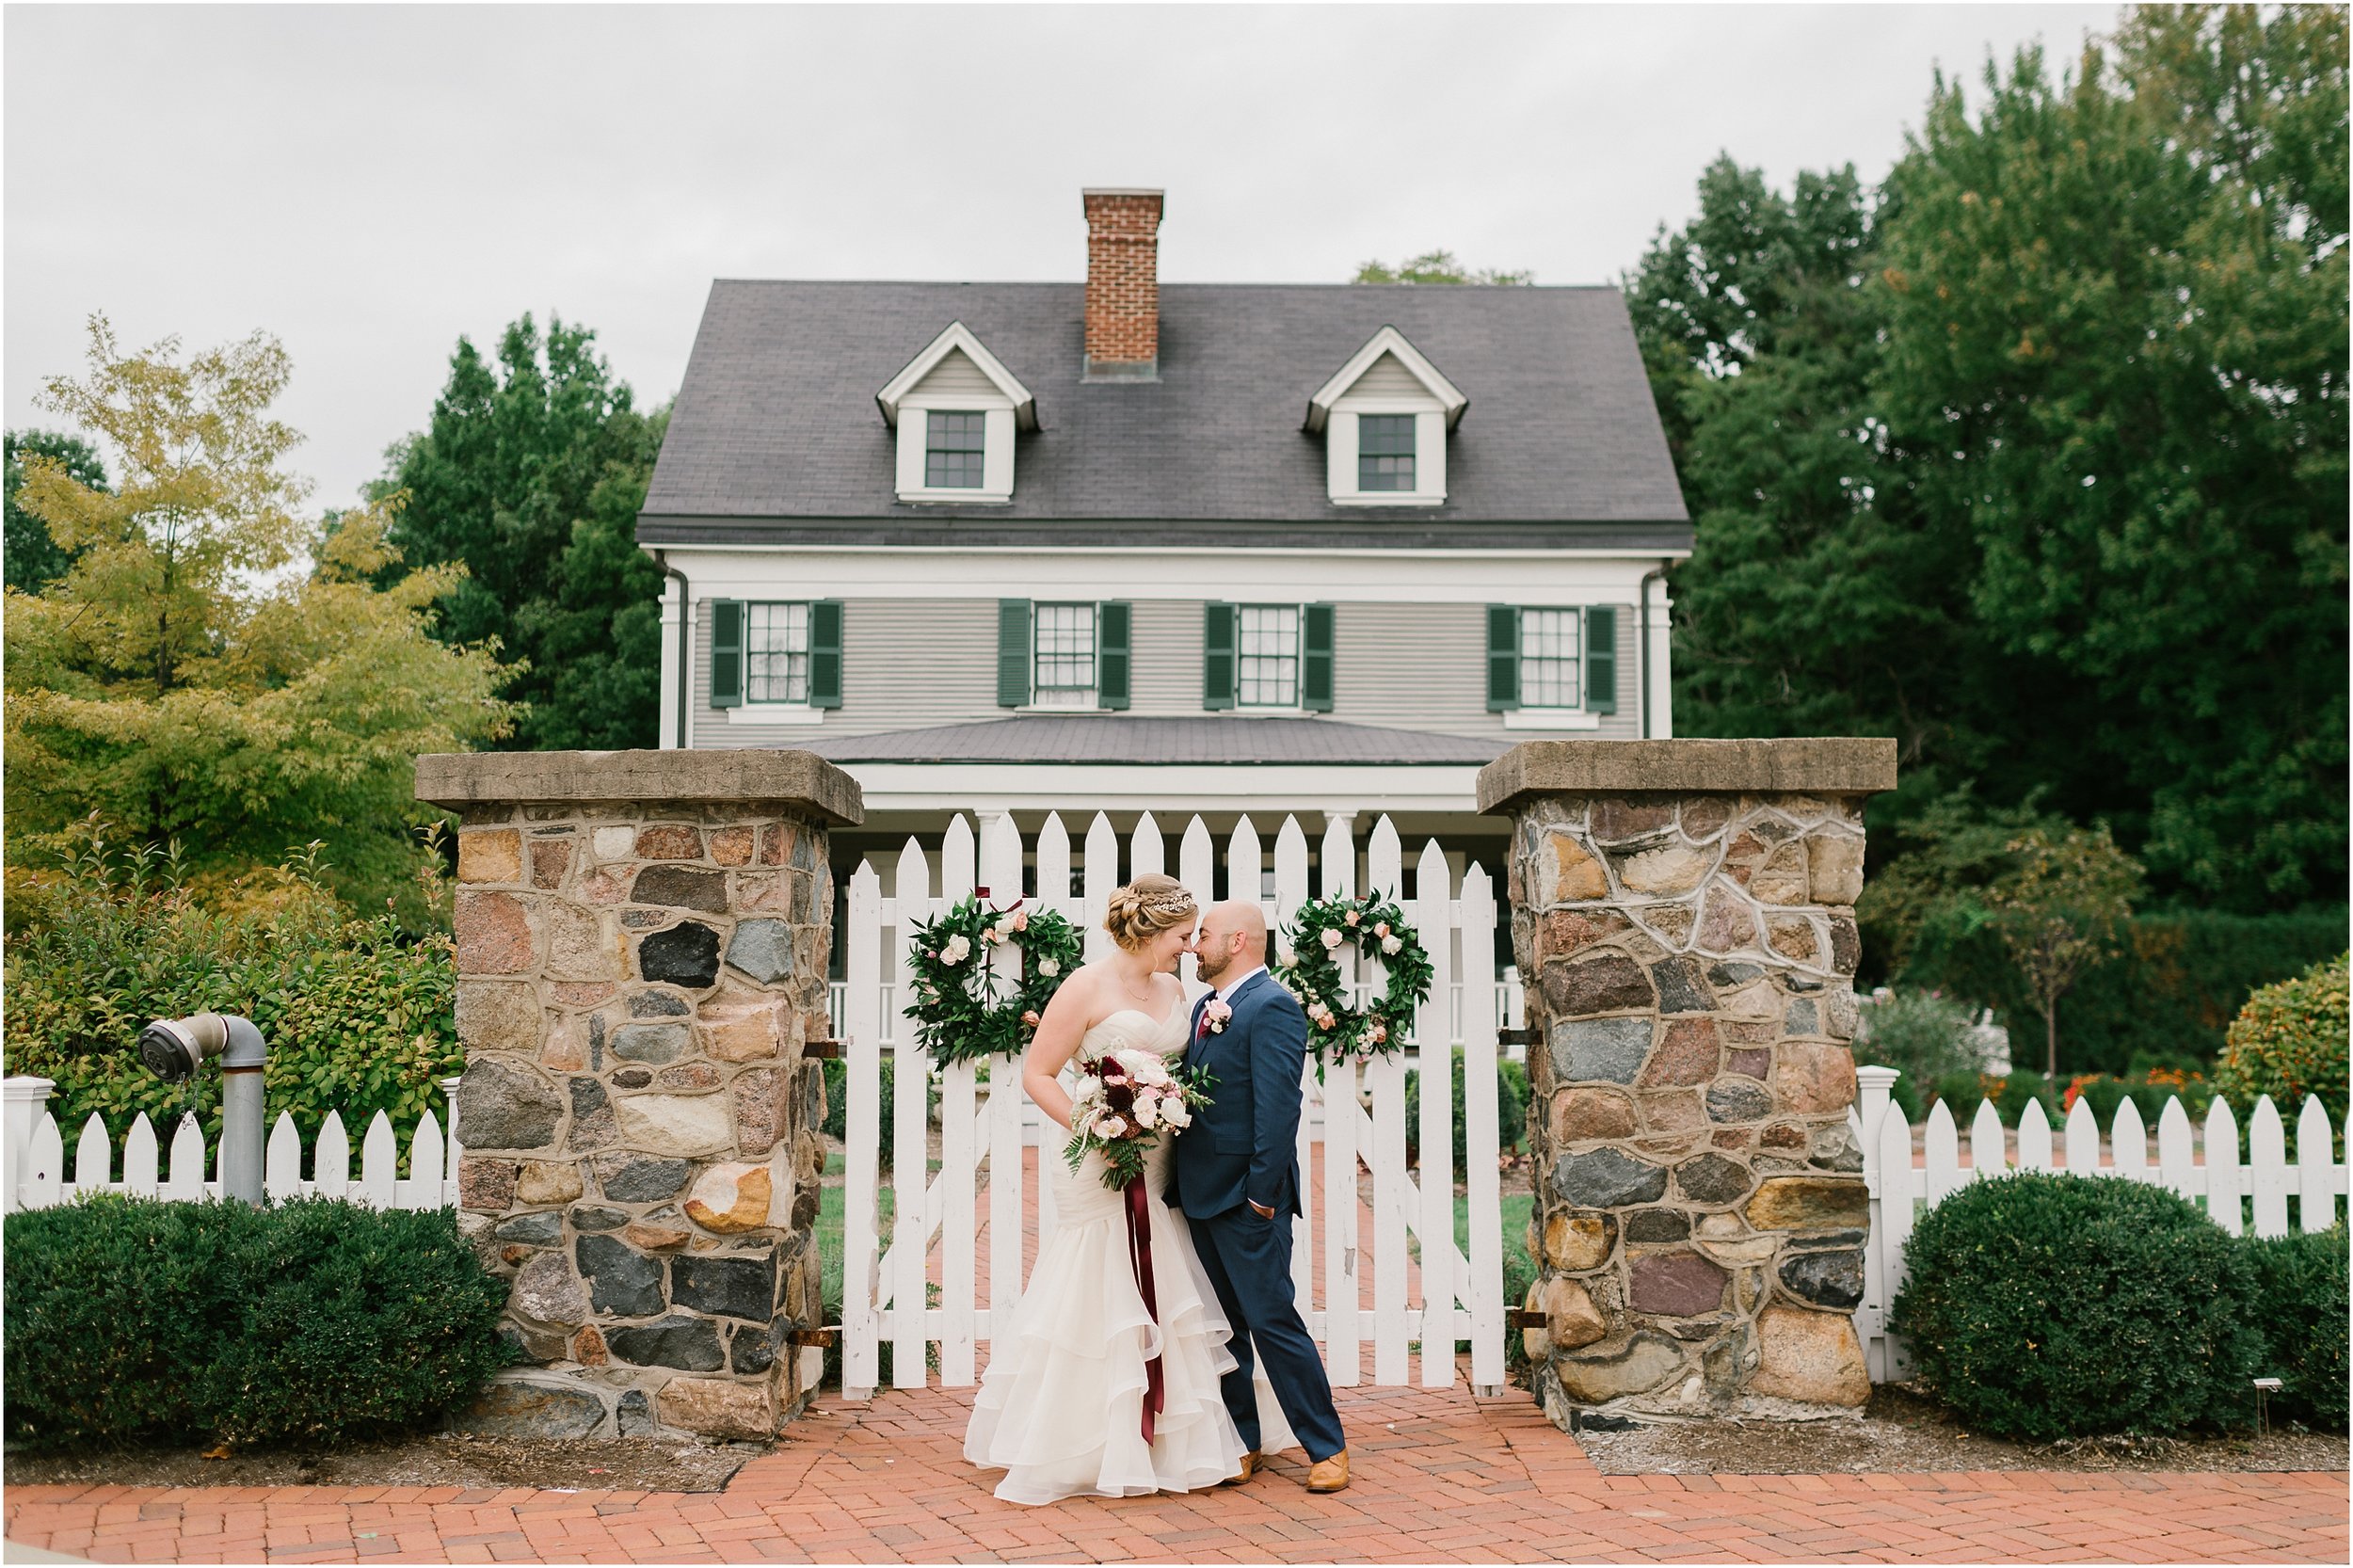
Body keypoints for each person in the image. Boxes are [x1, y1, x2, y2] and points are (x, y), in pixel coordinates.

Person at [961, 874, 1292, 1504]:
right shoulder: (1084, 987)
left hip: (1161, 1157)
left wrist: (1159, 1109)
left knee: (1166, 1276)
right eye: (1181, 935)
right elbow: (1038, 1074)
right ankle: (1089, 1436)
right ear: (1151, 933)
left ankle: (1173, 1437)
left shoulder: (1175, 989)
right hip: (1098, 1156)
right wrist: (1095, 1123)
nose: (1191, 946)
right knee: (1098, 1277)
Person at [1169, 899, 1349, 1494]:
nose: (1195, 945)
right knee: (1226, 1326)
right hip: (1199, 1194)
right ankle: (1244, 1443)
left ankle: (1327, 1447)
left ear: (1239, 940)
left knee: (1273, 1321)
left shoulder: (1272, 1006)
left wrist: (1263, 1199)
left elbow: (1280, 1111)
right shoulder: (1206, 1005)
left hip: (1249, 1198)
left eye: (1206, 935)